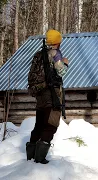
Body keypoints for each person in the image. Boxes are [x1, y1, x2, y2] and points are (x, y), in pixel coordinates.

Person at [26, 29, 69, 164]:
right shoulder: (55, 53)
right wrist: (65, 63)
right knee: (51, 125)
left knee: (39, 125)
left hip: (40, 95)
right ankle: (39, 159)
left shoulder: (39, 54)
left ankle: (30, 157)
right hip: (52, 95)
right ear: (58, 42)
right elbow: (61, 72)